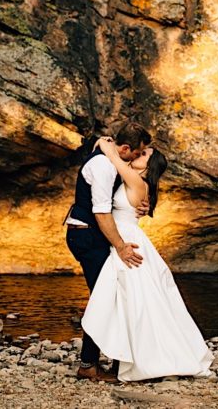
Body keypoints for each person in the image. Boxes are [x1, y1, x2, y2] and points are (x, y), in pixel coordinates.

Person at [81, 138, 213, 382]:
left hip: (125, 242)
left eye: (142, 155)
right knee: (130, 300)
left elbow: (114, 158)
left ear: (147, 167)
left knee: (136, 301)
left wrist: (106, 146)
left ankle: (139, 359)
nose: (136, 155)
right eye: (139, 151)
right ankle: (122, 358)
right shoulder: (133, 180)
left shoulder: (135, 180)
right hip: (120, 239)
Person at [64, 122, 151, 382]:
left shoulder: (108, 158)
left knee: (110, 296)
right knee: (105, 297)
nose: (137, 158)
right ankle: (88, 365)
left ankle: (111, 362)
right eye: (137, 153)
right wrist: (122, 247)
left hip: (91, 234)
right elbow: (100, 212)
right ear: (125, 148)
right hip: (88, 235)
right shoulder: (102, 166)